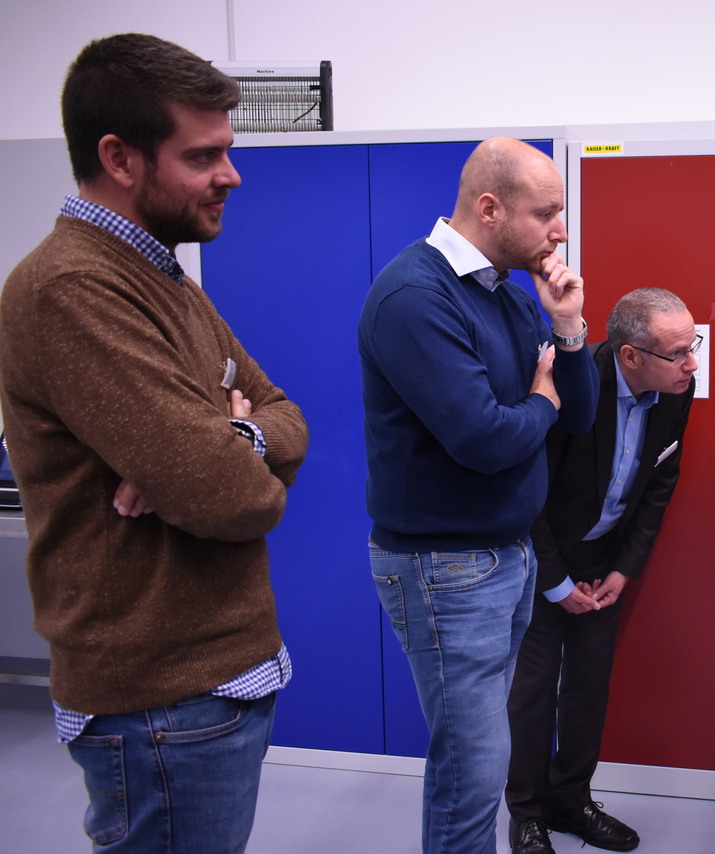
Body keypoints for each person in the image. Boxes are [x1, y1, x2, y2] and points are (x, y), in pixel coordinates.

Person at [0, 34, 309, 854]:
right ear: (119, 158)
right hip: (161, 703)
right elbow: (229, 497)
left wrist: (229, 431)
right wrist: (215, 456)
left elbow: (288, 416)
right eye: (203, 156)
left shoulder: (163, 279)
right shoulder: (74, 288)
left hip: (212, 686)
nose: (231, 175)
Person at [358, 137, 599, 854]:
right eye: (546, 213)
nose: (561, 231)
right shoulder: (415, 297)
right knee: (472, 771)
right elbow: (484, 439)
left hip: (505, 556)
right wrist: (541, 402)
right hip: (445, 567)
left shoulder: (509, 296)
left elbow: (579, 418)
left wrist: (568, 328)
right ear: (489, 209)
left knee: (479, 760)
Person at [506, 288, 699, 854]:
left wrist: (624, 568)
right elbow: (529, 493)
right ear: (630, 355)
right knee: (534, 691)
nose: (692, 364)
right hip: (540, 558)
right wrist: (556, 583)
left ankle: (572, 800)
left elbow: (660, 481)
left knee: (588, 685)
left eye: (693, 346)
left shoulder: (676, 391)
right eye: (678, 353)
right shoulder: (571, 384)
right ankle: (528, 813)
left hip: (602, 560)